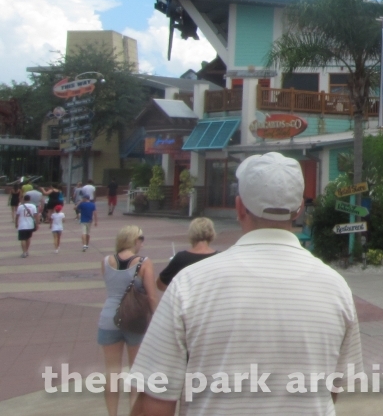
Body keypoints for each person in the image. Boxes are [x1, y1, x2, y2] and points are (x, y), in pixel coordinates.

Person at [130, 152, 363, 415]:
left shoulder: (190, 284)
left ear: (240, 207)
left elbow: (155, 404)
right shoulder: (336, 288)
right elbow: (331, 389)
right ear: (298, 209)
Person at [99, 225, 159, 416]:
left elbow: (113, 287)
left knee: (112, 373)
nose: (142, 243)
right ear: (134, 240)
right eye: (141, 238)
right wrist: (156, 319)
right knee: (136, 372)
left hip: (109, 318)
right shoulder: (144, 263)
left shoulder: (106, 261)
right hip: (135, 320)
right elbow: (151, 296)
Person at [157, 217, 217, 290]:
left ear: (191, 234)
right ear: (212, 234)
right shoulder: (219, 257)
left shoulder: (181, 258)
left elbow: (161, 285)